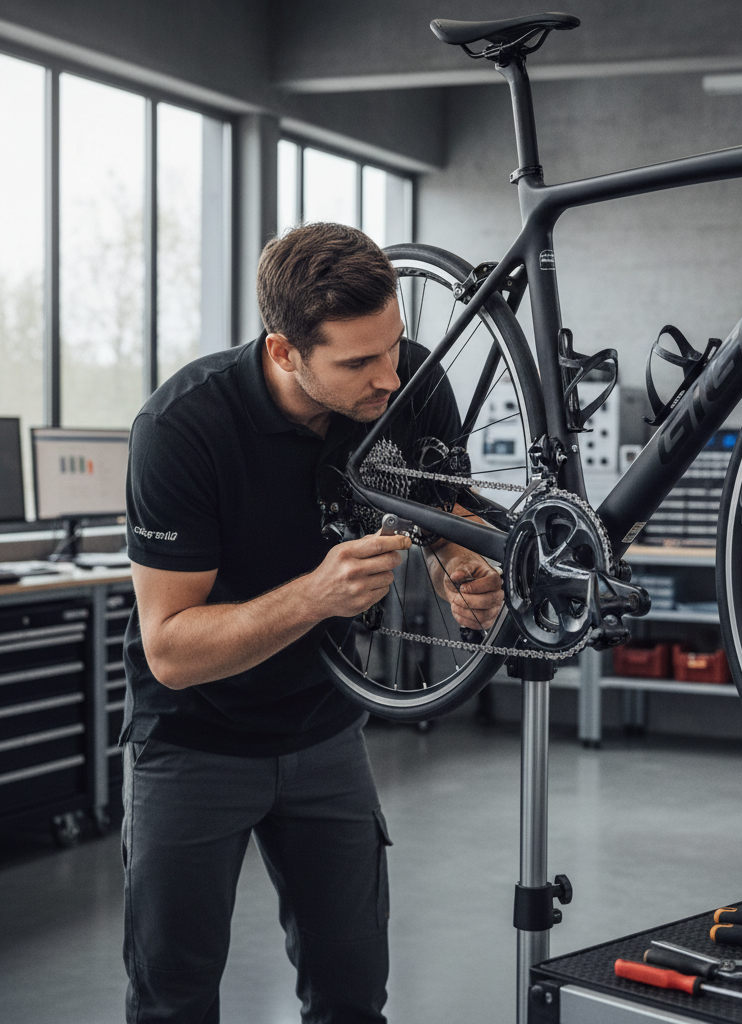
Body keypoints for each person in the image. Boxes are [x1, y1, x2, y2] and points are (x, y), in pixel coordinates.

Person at [120, 222, 503, 1024]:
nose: (389, 378)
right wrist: (315, 596)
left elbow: (441, 514)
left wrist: (461, 571)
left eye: (393, 345)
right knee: (172, 999)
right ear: (285, 351)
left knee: (352, 994)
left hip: (325, 730)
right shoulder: (183, 427)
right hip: (195, 741)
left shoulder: (408, 382)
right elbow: (171, 651)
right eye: (358, 363)